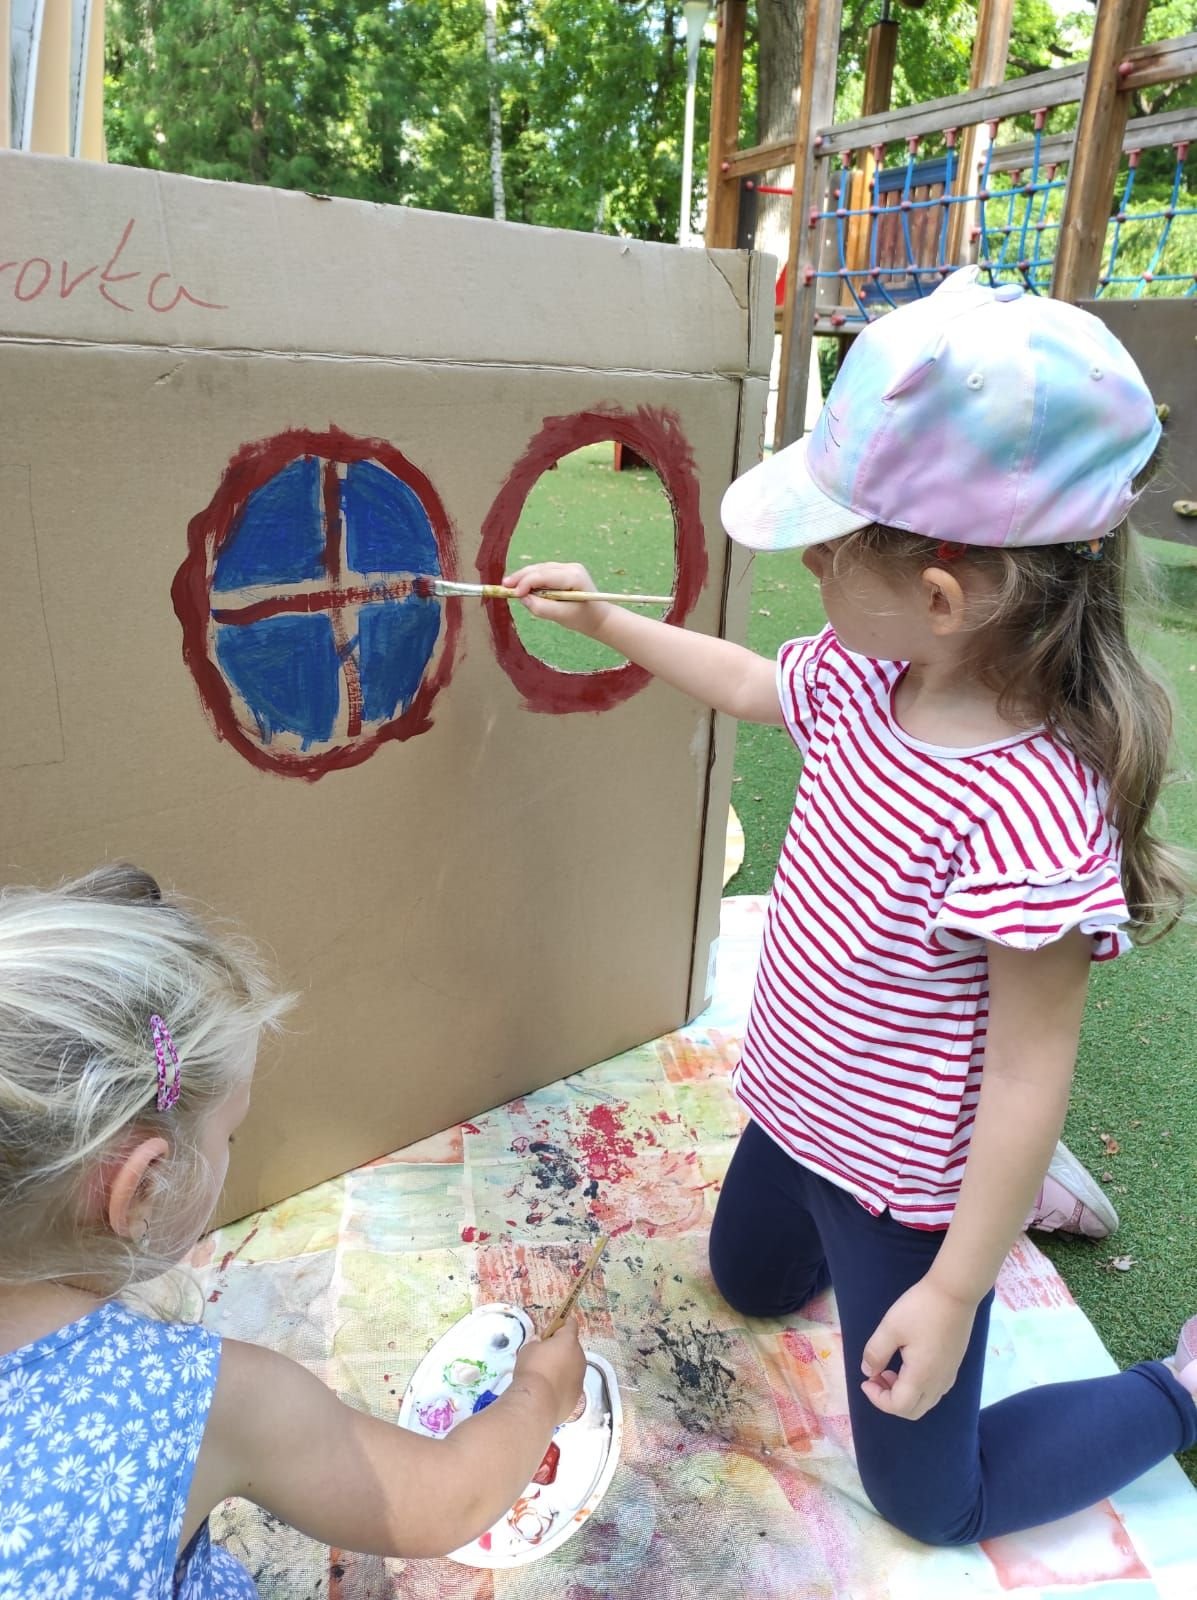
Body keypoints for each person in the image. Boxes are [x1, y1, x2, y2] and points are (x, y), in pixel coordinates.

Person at [504, 269, 1196, 1545]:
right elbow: (750, 683)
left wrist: (955, 1285)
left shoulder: (1030, 809)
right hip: (798, 1108)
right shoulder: (866, 675)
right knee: (750, 1283)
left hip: (910, 1185)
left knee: (932, 1499)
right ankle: (1018, 1189)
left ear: (941, 597)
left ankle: (1174, 1385)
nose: (808, 564)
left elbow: (1027, 1072)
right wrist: (605, 619)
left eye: (827, 549)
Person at [0, 864, 584, 1597]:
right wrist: (540, 1391)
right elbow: (448, 1499)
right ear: (142, 1186)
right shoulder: (202, 1397)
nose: (234, 1151)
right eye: (230, 1135)